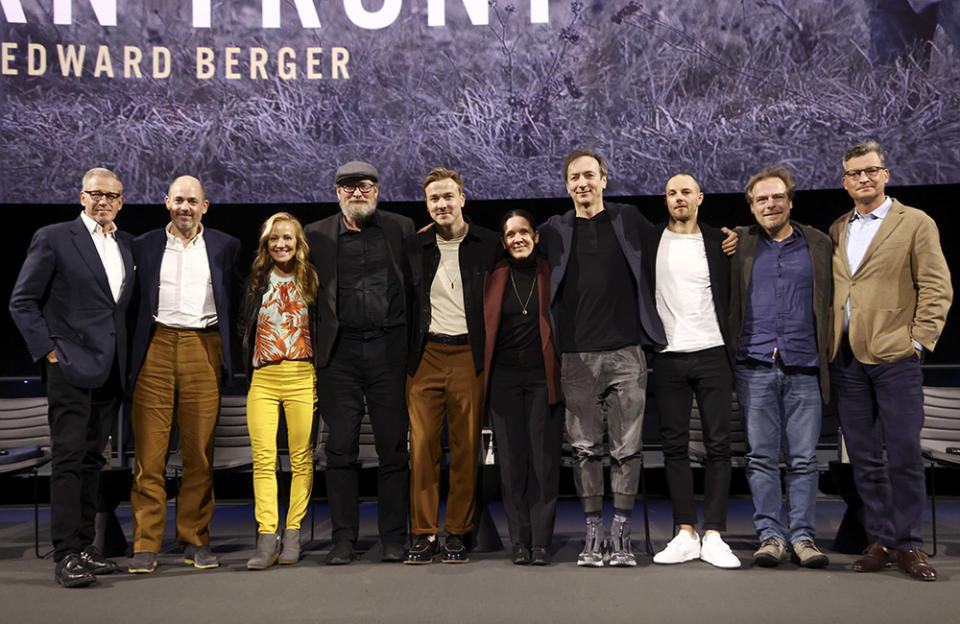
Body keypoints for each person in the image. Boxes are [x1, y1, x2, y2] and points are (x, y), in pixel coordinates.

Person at [539, 149, 736, 567]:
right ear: (566, 184)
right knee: (584, 449)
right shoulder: (552, 230)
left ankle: (622, 532)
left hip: (628, 352)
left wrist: (732, 237)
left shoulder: (629, 221)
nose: (582, 183)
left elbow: (680, 235)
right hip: (574, 356)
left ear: (604, 180)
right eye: (574, 177)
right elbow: (512, 244)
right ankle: (594, 533)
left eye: (589, 175)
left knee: (628, 449)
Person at [829, 141, 952, 581]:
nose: (863, 178)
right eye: (854, 173)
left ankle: (910, 544)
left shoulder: (915, 222)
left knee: (902, 454)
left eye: (870, 170)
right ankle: (881, 539)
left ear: (885, 174)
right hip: (847, 360)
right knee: (863, 458)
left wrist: (919, 342)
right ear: (844, 182)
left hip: (896, 356)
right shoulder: (838, 227)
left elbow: (937, 286)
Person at [9, 167, 133, 587]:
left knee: (92, 462)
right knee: (67, 460)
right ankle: (65, 556)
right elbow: (22, 301)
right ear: (82, 196)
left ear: (121, 201)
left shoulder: (125, 245)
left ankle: (84, 548)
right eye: (95, 194)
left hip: (109, 370)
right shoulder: (55, 237)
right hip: (69, 367)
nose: (103, 201)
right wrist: (49, 352)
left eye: (111, 195)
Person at [127, 176, 241, 574]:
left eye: (193, 201)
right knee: (150, 457)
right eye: (178, 200)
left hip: (203, 346)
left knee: (198, 454)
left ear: (205, 206)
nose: (185, 208)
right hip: (156, 347)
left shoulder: (226, 247)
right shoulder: (142, 244)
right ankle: (145, 544)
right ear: (166, 202)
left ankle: (195, 538)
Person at [304, 161, 414, 564]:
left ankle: (393, 538)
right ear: (337, 193)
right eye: (348, 187)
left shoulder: (400, 229)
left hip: (388, 351)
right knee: (340, 449)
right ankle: (343, 538)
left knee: (392, 450)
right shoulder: (315, 234)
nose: (357, 193)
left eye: (364, 186)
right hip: (340, 355)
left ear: (377, 190)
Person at [729, 165, 833, 569]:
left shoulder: (819, 243)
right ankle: (771, 535)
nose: (769, 205)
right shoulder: (740, 244)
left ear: (790, 201)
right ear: (752, 207)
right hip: (755, 364)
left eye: (776, 198)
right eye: (760, 199)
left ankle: (804, 536)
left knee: (805, 459)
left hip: (805, 362)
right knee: (761, 458)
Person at [403, 167, 499, 564]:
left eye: (447, 197)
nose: (441, 204)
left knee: (465, 449)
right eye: (434, 199)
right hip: (425, 355)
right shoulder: (414, 247)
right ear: (427, 206)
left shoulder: (489, 244)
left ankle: (458, 531)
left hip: (468, 356)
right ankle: (424, 533)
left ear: (462, 199)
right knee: (423, 448)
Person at [647, 174, 740, 569]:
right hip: (668, 356)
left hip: (713, 352)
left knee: (720, 446)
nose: (679, 198)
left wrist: (738, 235)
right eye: (672, 193)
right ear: (665, 200)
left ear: (699, 198)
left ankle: (715, 534)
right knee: (674, 448)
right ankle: (685, 532)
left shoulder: (720, 242)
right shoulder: (649, 241)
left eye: (686, 192)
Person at [482, 210, 563, 566]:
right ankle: (519, 541)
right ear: (503, 242)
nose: (518, 238)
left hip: (543, 378)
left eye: (524, 232)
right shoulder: (494, 276)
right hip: (504, 381)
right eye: (510, 234)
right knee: (512, 464)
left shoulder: (552, 273)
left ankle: (541, 542)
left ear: (536, 236)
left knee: (544, 462)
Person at [240, 212, 320, 569]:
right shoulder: (256, 281)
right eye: (274, 238)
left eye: (287, 238)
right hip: (264, 379)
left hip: (302, 376)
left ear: (298, 242)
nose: (281, 244)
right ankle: (266, 535)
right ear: (266, 244)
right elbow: (244, 328)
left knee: (301, 459)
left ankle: (293, 532)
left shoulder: (312, 280)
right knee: (263, 459)